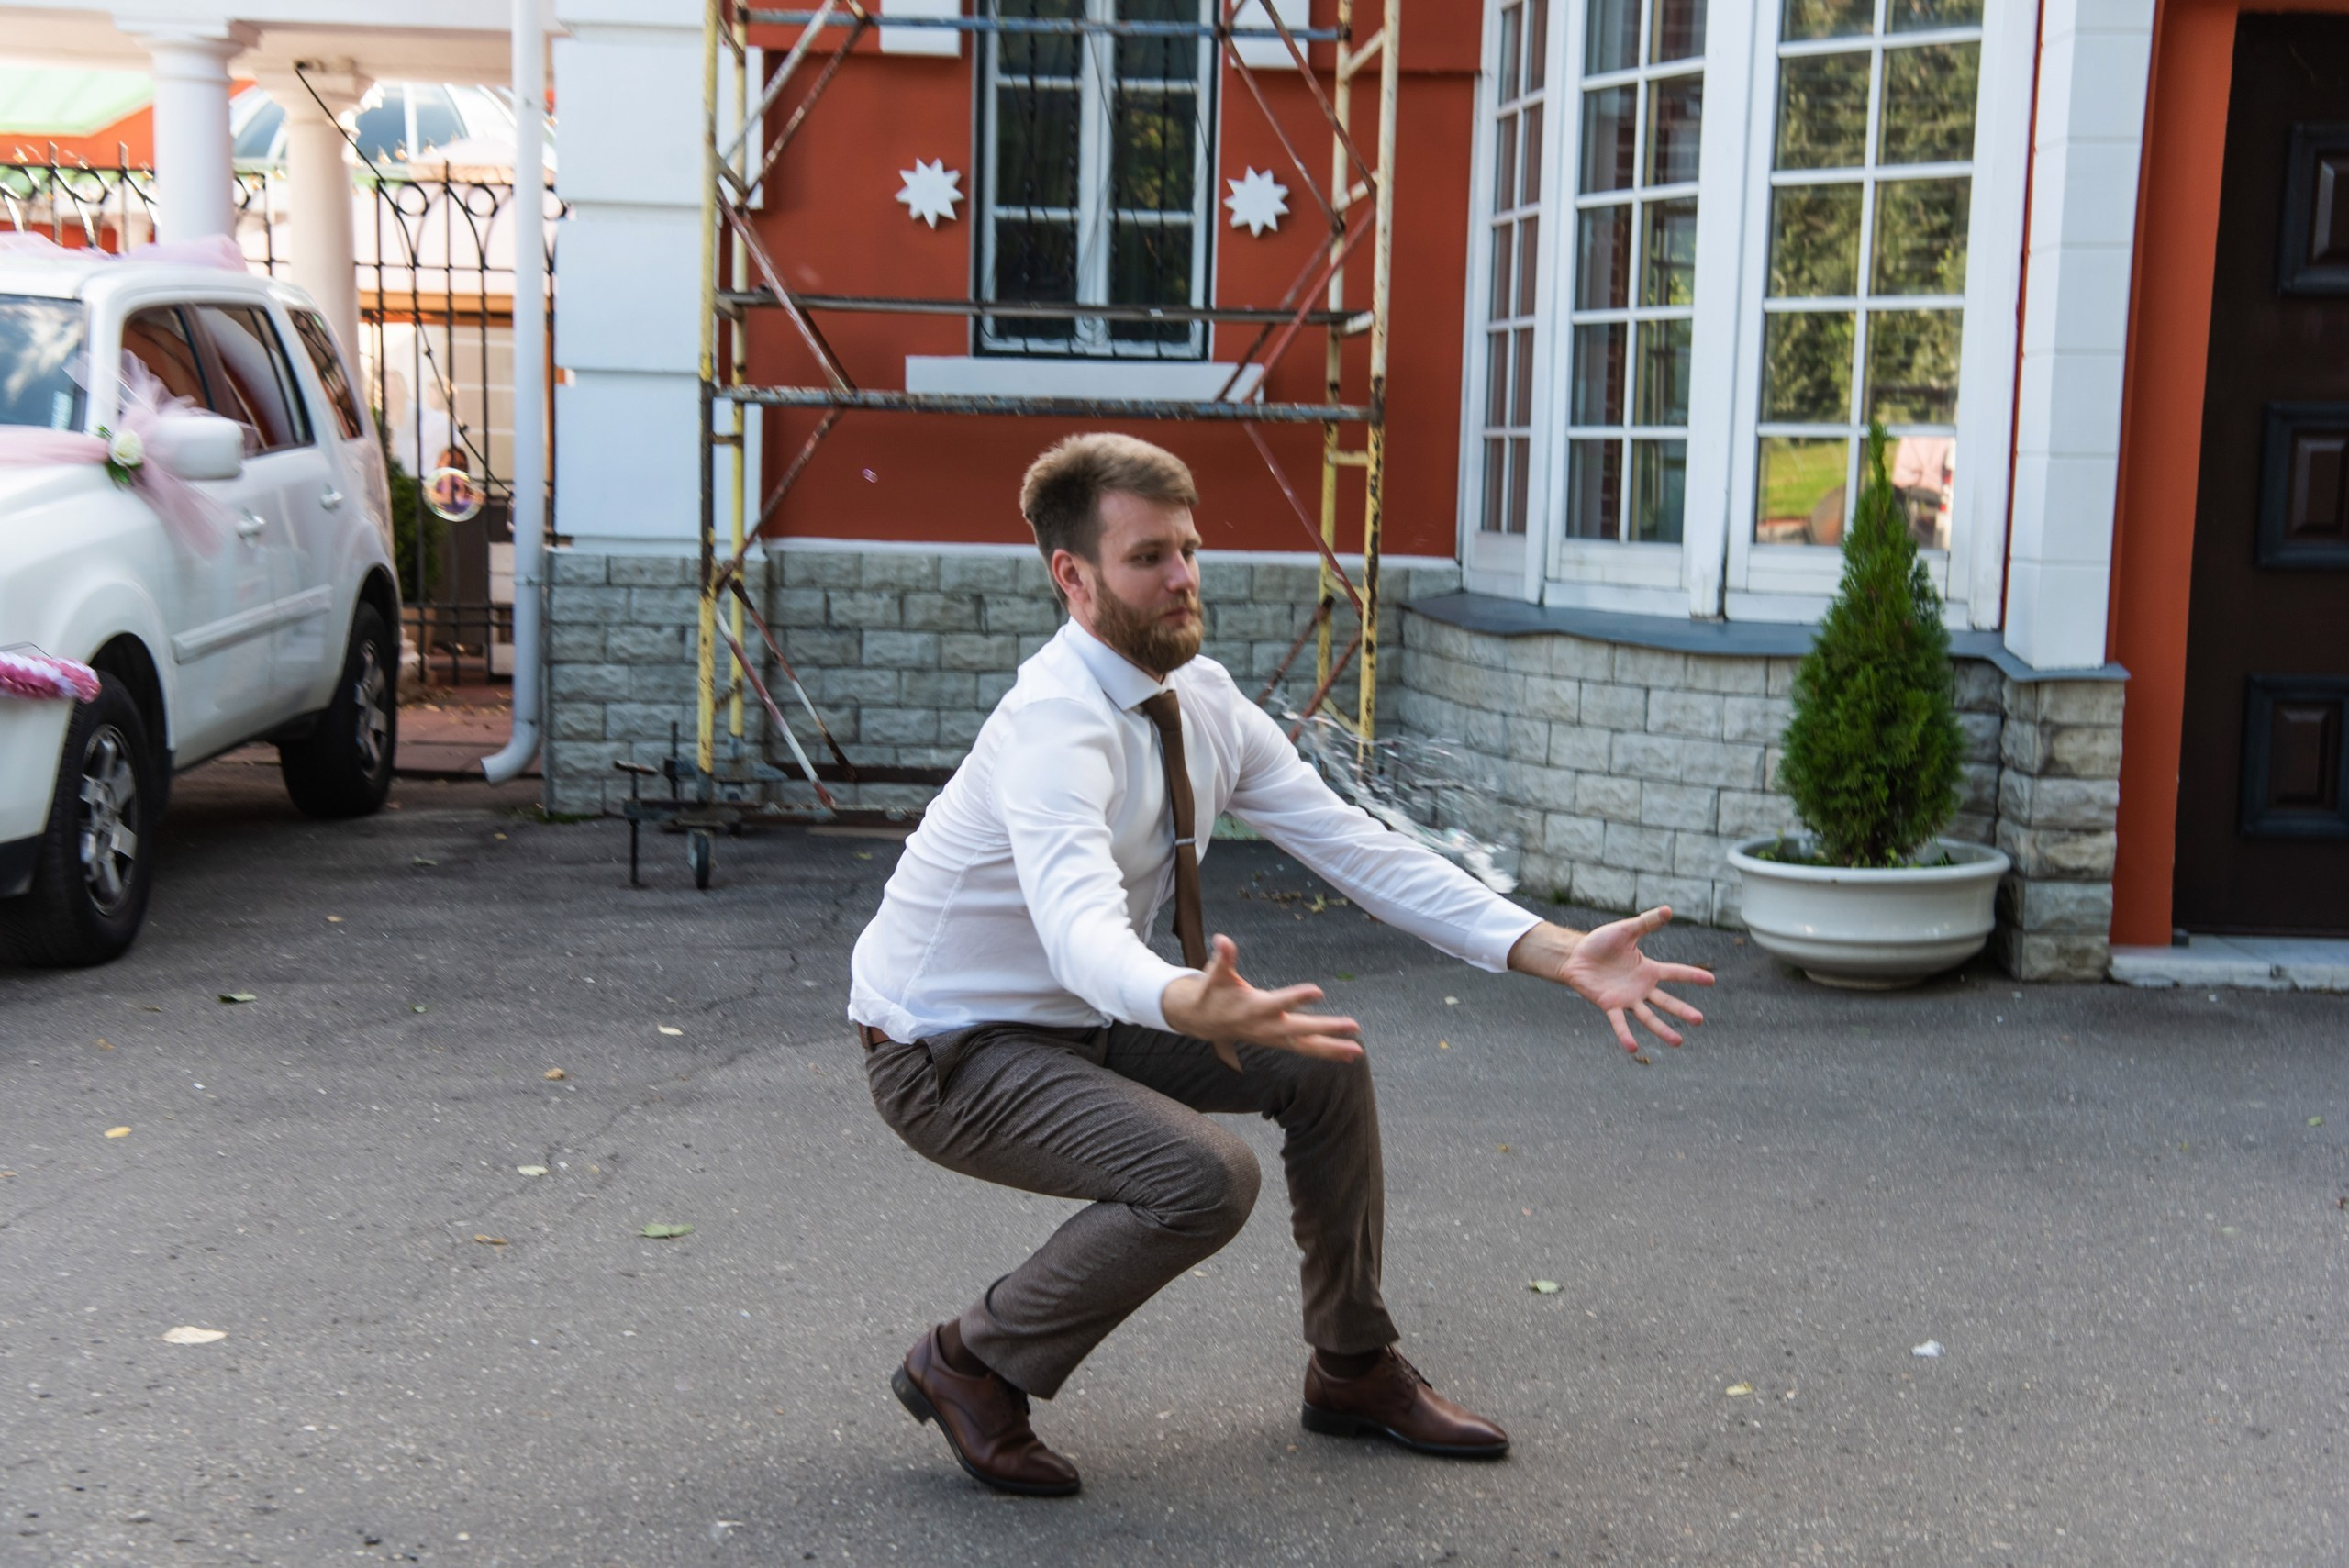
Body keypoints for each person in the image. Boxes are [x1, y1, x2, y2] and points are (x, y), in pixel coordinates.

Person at [850, 434, 1713, 1496]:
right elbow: (1077, 927)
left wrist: (1553, 949)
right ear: (1070, 575)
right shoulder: (1051, 728)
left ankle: (1350, 1364)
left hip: (1087, 1005)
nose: (1182, 579)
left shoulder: (1201, 698)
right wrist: (1178, 996)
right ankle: (970, 1358)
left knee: (1323, 1063)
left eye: (1190, 550)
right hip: (947, 1043)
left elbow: (1355, 846)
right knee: (1202, 1178)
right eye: (1147, 557)